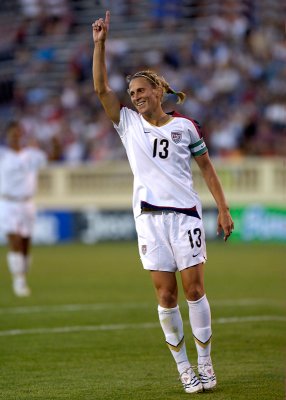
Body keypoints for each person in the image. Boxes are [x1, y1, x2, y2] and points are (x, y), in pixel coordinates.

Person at [92, 11, 234, 394]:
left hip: (186, 216)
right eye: (133, 93)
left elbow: (207, 168)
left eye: (142, 91)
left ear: (159, 91)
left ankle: (206, 364)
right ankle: (184, 369)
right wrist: (100, 44)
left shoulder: (185, 127)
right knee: (166, 295)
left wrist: (222, 208)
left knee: (194, 291)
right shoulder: (127, 124)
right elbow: (102, 90)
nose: (136, 97)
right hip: (150, 220)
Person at [0, 121, 48, 297]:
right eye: (13, 133)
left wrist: (56, 145)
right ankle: (18, 280)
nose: (16, 136)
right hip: (8, 203)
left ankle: (23, 274)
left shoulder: (32, 155)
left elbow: (51, 158)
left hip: (27, 203)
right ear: (7, 136)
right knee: (15, 240)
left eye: (18, 133)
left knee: (26, 243)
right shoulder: (3, 155)